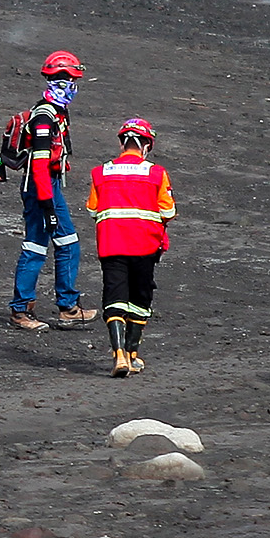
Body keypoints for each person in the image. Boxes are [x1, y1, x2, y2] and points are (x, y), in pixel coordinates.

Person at [0, 49, 97, 329]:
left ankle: (66, 306)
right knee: (36, 245)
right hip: (40, 188)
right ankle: (22, 309)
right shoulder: (45, 118)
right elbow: (39, 165)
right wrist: (48, 204)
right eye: (67, 80)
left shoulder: (55, 113)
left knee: (66, 243)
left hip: (47, 186)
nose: (71, 87)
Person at [83, 117, 175, 376]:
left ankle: (119, 355)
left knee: (114, 297)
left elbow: (92, 209)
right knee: (139, 299)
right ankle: (133, 354)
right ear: (147, 144)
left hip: (111, 243)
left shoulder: (100, 172)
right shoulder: (156, 172)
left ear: (123, 142)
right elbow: (168, 210)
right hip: (145, 244)